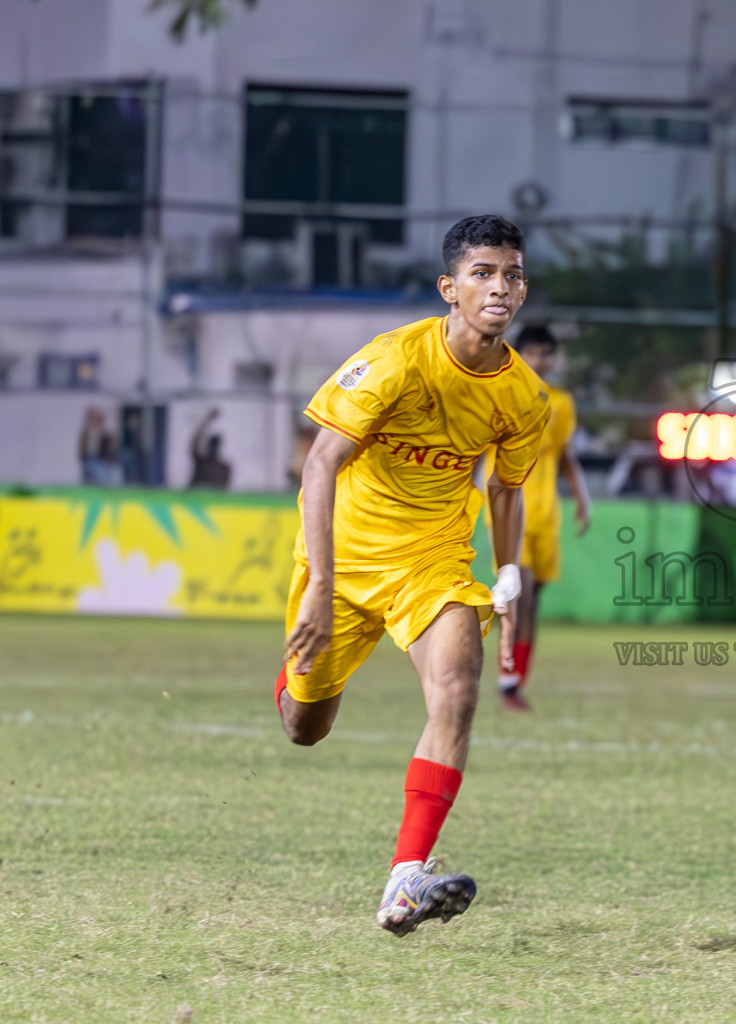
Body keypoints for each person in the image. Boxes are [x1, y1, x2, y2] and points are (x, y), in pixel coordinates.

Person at [276, 215, 550, 936]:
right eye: (483, 273)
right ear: (449, 289)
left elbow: (504, 488)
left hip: (431, 563)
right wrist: (322, 586)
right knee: (305, 726)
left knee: (458, 692)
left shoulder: (524, 398)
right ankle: (297, 681)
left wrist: (510, 577)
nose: (500, 286)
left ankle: (405, 882)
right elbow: (320, 464)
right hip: (347, 557)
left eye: (512, 274)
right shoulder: (395, 359)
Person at [496, 323, 592, 712]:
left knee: (534, 599)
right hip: (508, 509)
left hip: (546, 512)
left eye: (546, 353)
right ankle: (506, 682)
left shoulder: (561, 402)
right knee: (519, 591)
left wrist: (583, 499)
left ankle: (516, 681)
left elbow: (566, 455)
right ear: (517, 354)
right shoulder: (499, 393)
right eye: (533, 352)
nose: (540, 360)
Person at [189, 408, 232, 490]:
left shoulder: (224, 468)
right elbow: (195, 442)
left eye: (214, 445)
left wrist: (208, 419)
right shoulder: (201, 462)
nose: (212, 448)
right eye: (211, 445)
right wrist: (208, 420)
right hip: (195, 499)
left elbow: (224, 489)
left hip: (213, 501)